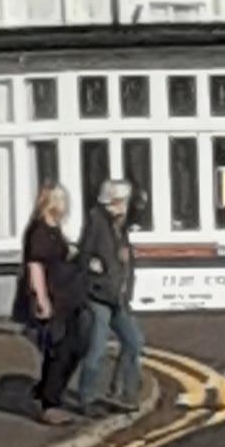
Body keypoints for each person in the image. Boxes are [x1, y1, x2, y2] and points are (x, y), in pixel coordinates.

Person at [71, 175, 142, 417]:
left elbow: (123, 259)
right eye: (122, 201)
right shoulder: (96, 221)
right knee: (97, 349)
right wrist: (92, 265)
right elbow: (83, 255)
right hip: (98, 296)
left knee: (134, 342)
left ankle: (122, 392)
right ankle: (86, 398)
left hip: (118, 298)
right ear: (111, 201)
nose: (125, 206)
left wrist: (126, 286)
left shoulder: (120, 225)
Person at [18, 184, 82, 422]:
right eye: (61, 200)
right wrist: (42, 299)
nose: (66, 206)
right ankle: (49, 404)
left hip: (68, 299)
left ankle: (46, 390)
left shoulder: (56, 230)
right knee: (59, 350)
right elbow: (35, 266)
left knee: (74, 347)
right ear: (50, 203)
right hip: (53, 299)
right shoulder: (40, 231)